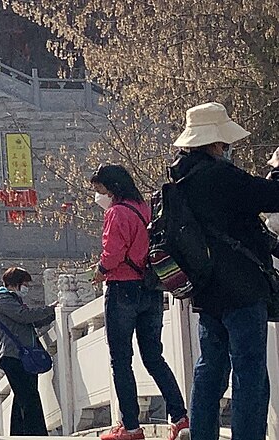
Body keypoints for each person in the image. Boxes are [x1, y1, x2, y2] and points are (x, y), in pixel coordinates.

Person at [169, 102, 279, 440]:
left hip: (207, 290)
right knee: (250, 374)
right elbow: (271, 197)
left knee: (209, 371)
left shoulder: (181, 180)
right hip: (242, 289)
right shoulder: (221, 176)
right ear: (217, 142)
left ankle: (202, 434)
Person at [90, 164, 189, 440]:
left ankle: (131, 427)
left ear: (111, 187)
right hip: (151, 287)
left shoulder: (116, 213)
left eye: (100, 188)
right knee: (154, 357)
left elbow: (111, 255)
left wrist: (99, 271)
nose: (99, 193)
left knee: (121, 360)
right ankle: (180, 417)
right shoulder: (145, 208)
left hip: (122, 289)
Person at [0, 266, 55, 437]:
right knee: (30, 398)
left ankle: (19, 434)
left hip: (21, 356)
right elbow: (24, 316)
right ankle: (36, 434)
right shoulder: (3, 301)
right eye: (25, 284)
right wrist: (50, 309)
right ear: (15, 284)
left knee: (21, 398)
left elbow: (27, 322)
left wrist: (50, 316)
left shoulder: (12, 300)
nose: (27, 287)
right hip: (13, 357)